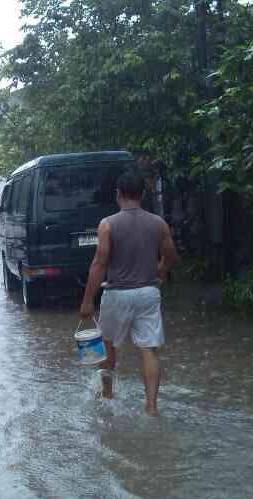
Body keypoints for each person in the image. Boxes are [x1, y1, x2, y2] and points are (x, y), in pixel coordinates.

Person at [79, 170, 178, 416]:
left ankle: (108, 395)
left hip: (117, 294)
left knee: (108, 347)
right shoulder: (158, 223)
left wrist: (87, 300)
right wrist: (161, 270)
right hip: (148, 293)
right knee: (148, 350)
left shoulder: (107, 224)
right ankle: (152, 408)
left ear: (118, 194)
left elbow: (99, 264)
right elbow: (171, 254)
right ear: (142, 195)